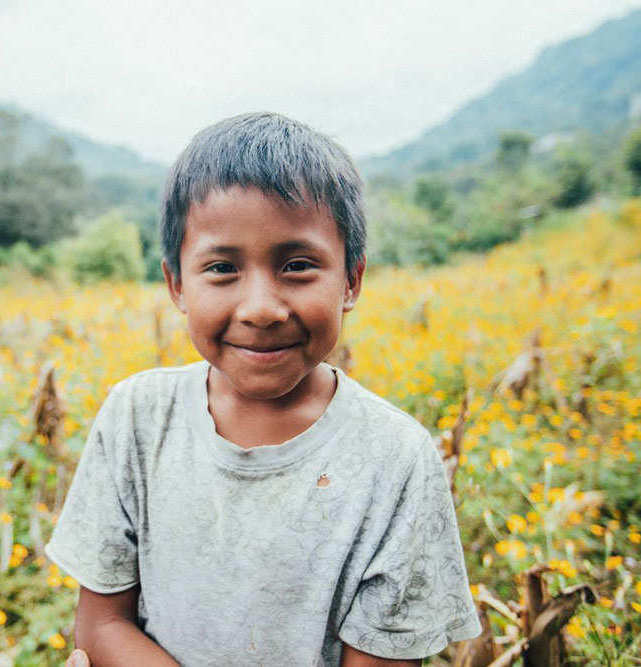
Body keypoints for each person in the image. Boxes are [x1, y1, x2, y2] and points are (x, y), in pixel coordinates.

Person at [46, 112, 481, 666]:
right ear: (177, 285)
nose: (260, 309)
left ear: (351, 280)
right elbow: (102, 624)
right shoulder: (137, 417)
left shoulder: (395, 459)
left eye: (298, 265)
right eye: (223, 268)